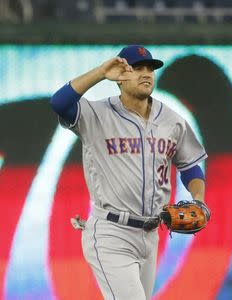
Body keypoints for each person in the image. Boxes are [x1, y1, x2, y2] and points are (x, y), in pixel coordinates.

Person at [50, 45, 208, 299]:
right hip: (112, 232)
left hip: (151, 234)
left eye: (150, 68)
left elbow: (191, 168)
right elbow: (59, 102)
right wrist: (101, 72)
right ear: (121, 76)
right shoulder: (96, 114)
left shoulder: (172, 120)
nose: (146, 73)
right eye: (137, 68)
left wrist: (198, 200)